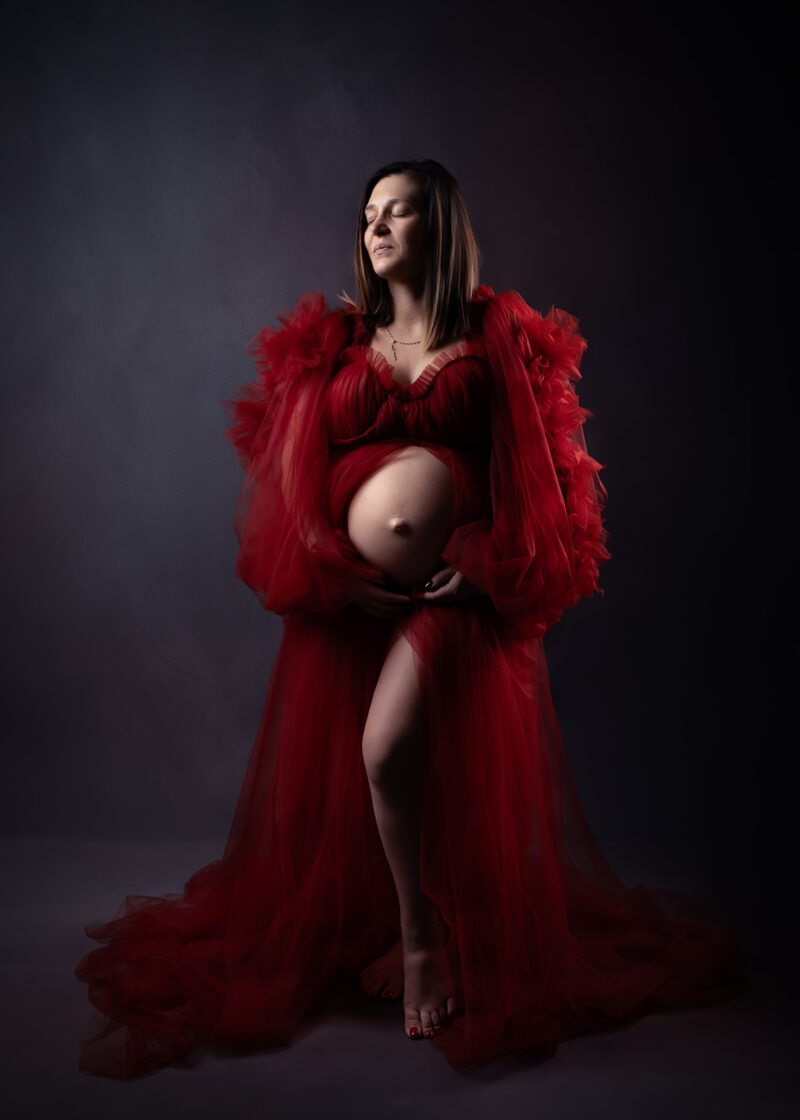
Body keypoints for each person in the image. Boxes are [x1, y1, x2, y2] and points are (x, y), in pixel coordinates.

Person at [74, 159, 741, 1079]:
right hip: (357, 596)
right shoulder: (335, 343)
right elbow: (286, 482)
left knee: (389, 748)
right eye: (369, 213)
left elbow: (545, 482)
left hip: (451, 595)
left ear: (443, 226)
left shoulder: (497, 332)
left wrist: (483, 571)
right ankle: (400, 923)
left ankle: (425, 940)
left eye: (402, 210)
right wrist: (335, 570)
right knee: (387, 772)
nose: (379, 225)